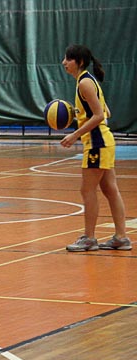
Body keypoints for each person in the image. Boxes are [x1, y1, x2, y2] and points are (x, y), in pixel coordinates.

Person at [60, 44, 132, 252]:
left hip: (97, 144)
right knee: (110, 189)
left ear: (79, 62)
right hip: (103, 141)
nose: (64, 62)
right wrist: (79, 114)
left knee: (87, 189)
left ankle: (90, 239)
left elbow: (100, 115)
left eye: (68, 59)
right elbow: (106, 111)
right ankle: (121, 237)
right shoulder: (87, 81)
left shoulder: (84, 83)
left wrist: (74, 134)